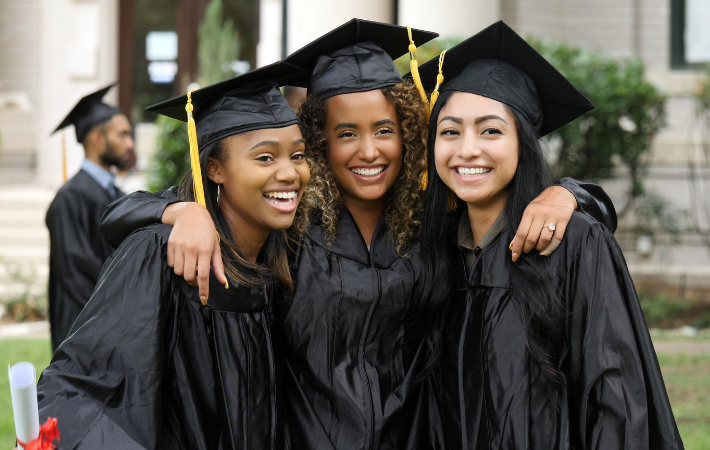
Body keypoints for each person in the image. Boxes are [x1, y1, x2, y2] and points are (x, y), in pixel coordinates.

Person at [100, 20, 615, 449]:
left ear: (409, 132)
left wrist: (566, 192)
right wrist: (181, 212)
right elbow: (121, 214)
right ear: (319, 140)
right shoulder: (291, 225)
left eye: (384, 130)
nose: (368, 151)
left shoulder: (434, 222)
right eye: (346, 133)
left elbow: (550, 213)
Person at [416, 21, 683, 449]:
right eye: (449, 131)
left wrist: (574, 195)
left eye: (491, 130)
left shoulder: (573, 243)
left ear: (523, 142)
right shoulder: (434, 252)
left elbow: (614, 399)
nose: (467, 149)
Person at [36, 72, 310, 449]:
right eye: (265, 157)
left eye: (298, 155)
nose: (289, 172)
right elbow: (86, 388)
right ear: (214, 168)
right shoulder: (159, 255)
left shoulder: (284, 259)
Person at [46, 85, 134, 351]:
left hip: (115, 333)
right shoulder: (70, 198)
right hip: (85, 337)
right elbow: (76, 275)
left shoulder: (117, 194)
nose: (130, 144)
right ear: (97, 138)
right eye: (123, 135)